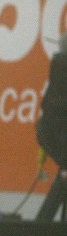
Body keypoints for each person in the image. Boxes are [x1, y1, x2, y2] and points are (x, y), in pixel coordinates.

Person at [35, 31, 67, 221]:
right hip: (57, 132)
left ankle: (40, 228)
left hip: (52, 131)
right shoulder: (62, 68)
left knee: (63, 179)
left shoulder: (59, 66)